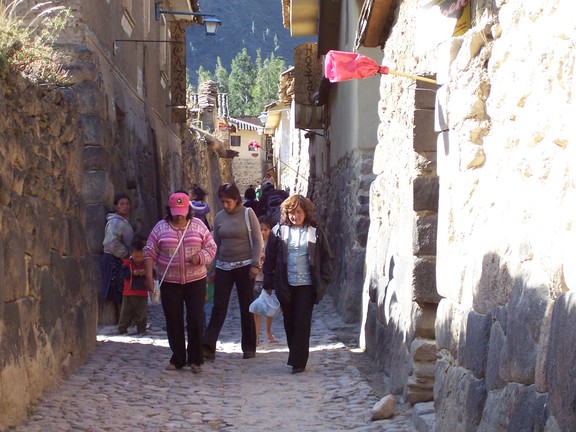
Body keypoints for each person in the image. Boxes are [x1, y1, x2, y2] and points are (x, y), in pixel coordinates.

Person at [144, 192, 217, 373]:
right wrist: (148, 276)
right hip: (169, 281)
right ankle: (178, 358)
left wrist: (200, 257)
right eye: (175, 211)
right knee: (173, 319)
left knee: (195, 318)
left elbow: (211, 247)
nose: (179, 215)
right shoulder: (160, 229)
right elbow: (149, 251)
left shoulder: (198, 226)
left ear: (188, 210)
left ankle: (195, 359)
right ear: (169, 210)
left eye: (182, 211)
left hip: (196, 280)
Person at [262, 195, 333, 374]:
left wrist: (324, 280)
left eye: (299, 212)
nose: (295, 216)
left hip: (307, 285)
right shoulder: (279, 232)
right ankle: (295, 353)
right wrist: (268, 283)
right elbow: (270, 258)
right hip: (285, 283)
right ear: (287, 213)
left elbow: (326, 257)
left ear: (306, 212)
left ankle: (298, 361)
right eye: (292, 213)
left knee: (303, 321)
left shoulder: (315, 231)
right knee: (289, 321)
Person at [202, 183, 263, 360]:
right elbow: (215, 244)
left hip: (245, 266)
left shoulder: (247, 214)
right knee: (219, 306)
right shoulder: (219, 218)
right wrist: (212, 269)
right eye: (222, 202)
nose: (225, 205)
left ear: (236, 199)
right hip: (223, 267)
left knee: (246, 306)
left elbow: (258, 240)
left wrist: (255, 264)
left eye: (228, 201)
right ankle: (208, 346)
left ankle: (249, 347)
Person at [101, 192, 134, 320]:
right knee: (118, 292)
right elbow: (111, 243)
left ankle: (124, 321)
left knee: (122, 292)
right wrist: (126, 254)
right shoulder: (115, 223)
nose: (125, 206)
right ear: (116, 207)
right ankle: (121, 321)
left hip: (120, 260)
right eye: (121, 204)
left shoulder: (123, 222)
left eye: (127, 204)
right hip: (115, 260)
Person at [118, 238, 150, 335]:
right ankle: (122, 329)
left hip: (142, 293)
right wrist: (133, 273)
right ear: (131, 254)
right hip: (129, 293)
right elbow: (123, 274)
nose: (139, 258)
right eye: (136, 256)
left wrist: (146, 273)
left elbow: (152, 273)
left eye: (141, 256)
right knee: (126, 312)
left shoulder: (146, 264)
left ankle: (141, 329)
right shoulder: (127, 263)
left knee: (142, 313)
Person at [253, 216, 277, 345]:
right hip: (256, 280)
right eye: (260, 229)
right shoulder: (254, 243)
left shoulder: (273, 244)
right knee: (256, 309)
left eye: (265, 229)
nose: (262, 232)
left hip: (268, 280)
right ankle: (256, 336)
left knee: (269, 307)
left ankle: (268, 332)